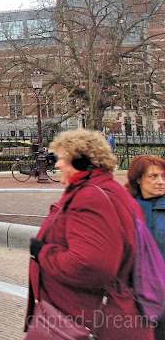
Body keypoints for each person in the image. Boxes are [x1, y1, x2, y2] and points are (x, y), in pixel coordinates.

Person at [25, 129, 153, 340]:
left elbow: (91, 266)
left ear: (81, 162)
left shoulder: (92, 196)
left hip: (84, 322)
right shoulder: (109, 190)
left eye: (62, 159)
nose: (57, 165)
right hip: (101, 317)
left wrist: (43, 253)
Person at [127, 155, 165, 339]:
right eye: (153, 176)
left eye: (164, 176)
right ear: (138, 179)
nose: (161, 181)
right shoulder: (127, 208)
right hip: (136, 295)